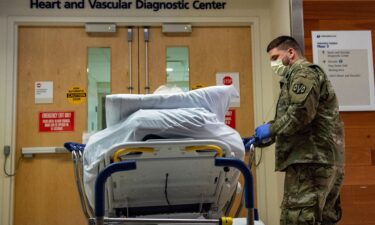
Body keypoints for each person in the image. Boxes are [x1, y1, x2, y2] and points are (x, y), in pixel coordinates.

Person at [254, 36, 345, 225]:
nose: (273, 64)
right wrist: (270, 133)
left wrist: (271, 129)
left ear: (291, 52)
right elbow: (299, 116)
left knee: (297, 219)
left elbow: (300, 114)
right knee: (322, 219)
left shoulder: (303, 73)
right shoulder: (299, 75)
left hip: (310, 162)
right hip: (320, 160)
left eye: (275, 58)